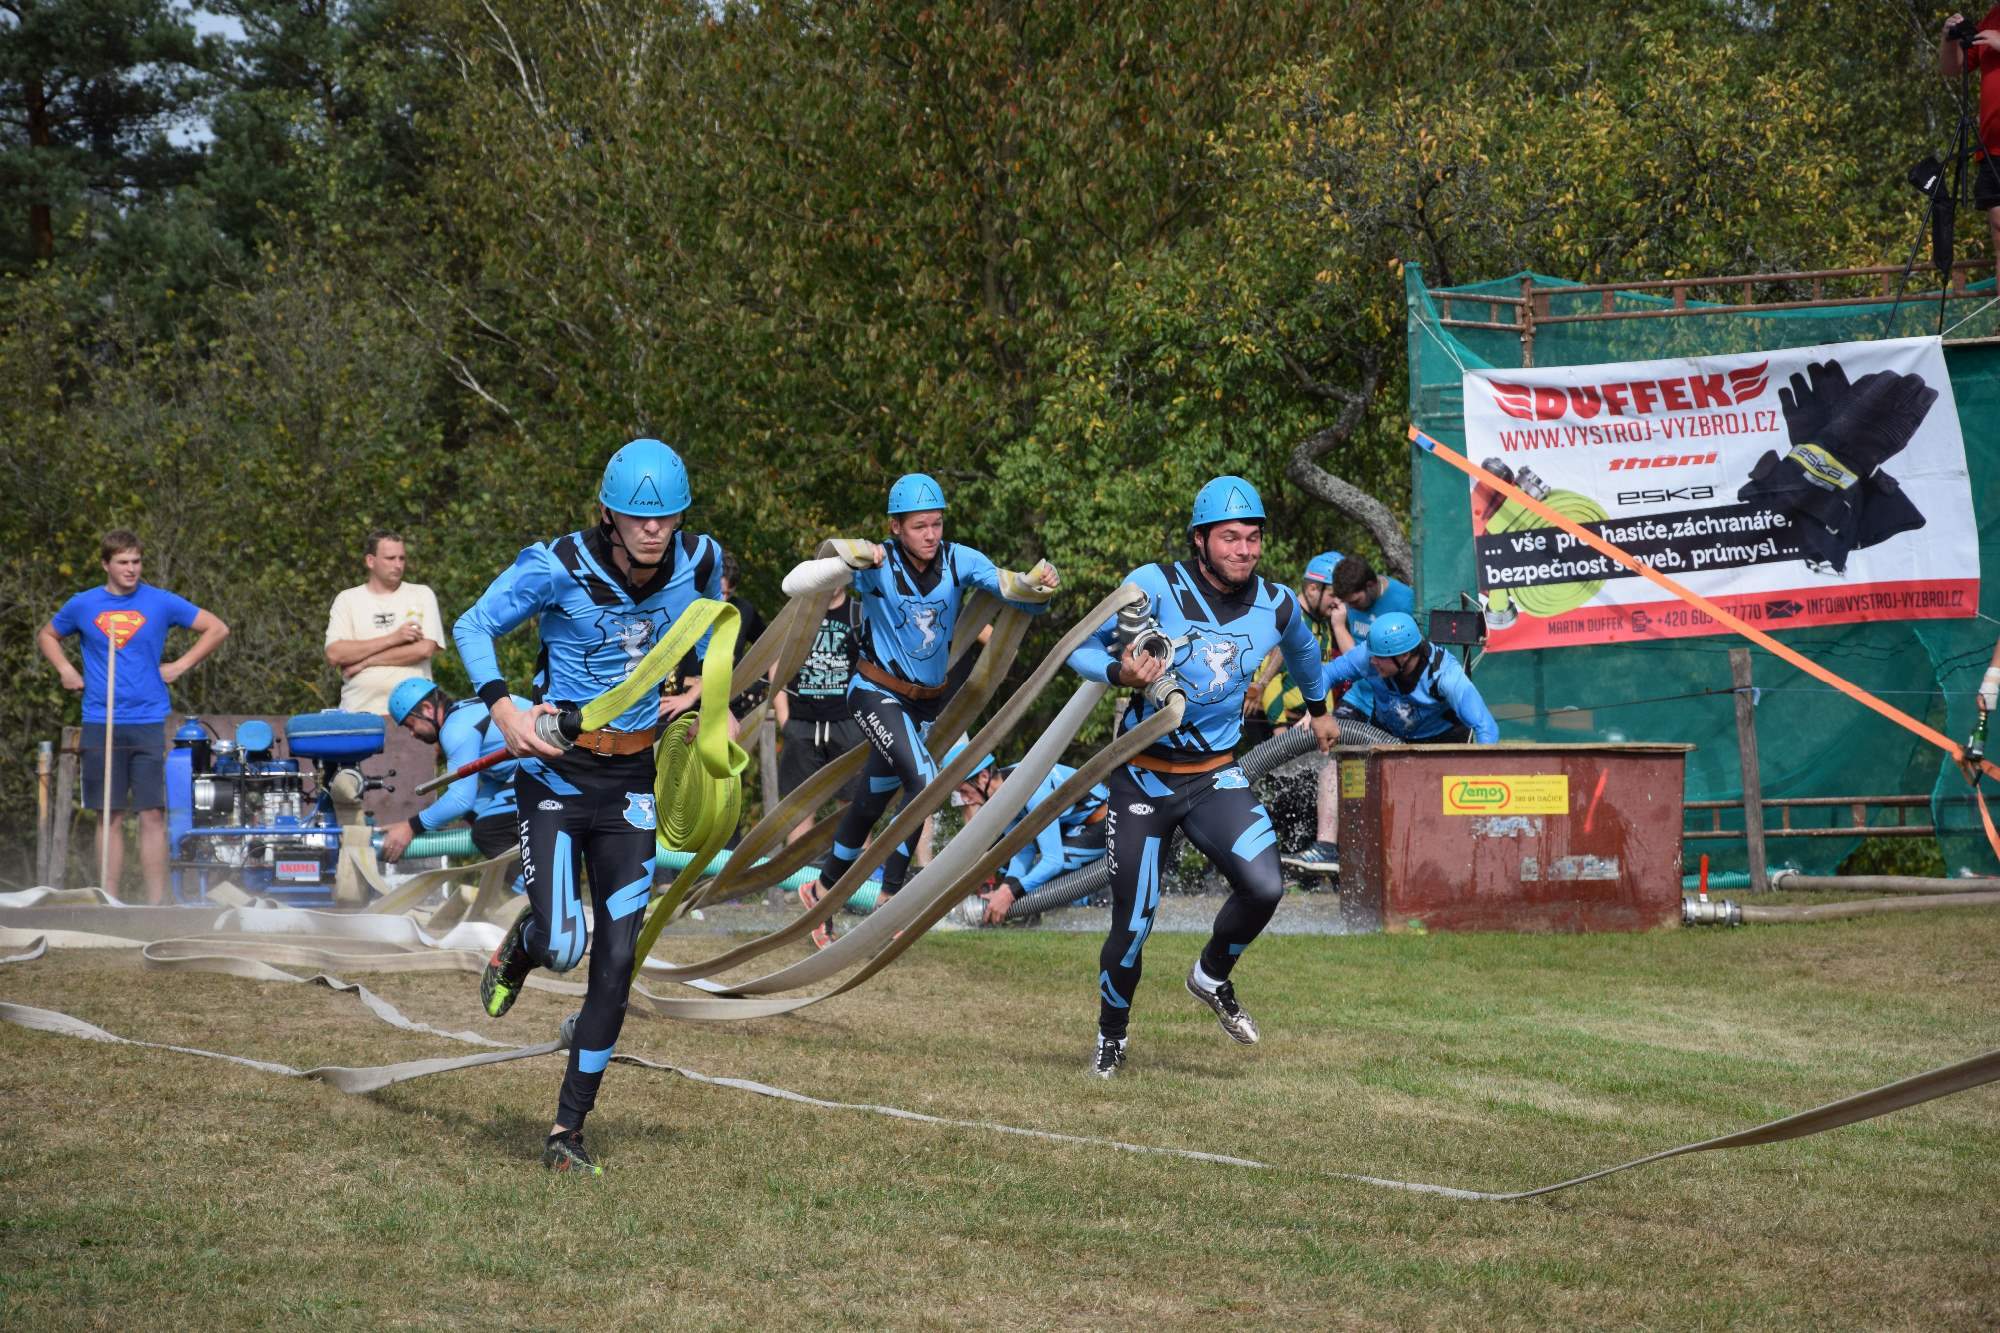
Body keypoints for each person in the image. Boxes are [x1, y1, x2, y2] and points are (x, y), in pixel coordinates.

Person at [454, 438, 725, 1178]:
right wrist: (503, 708)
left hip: (633, 779)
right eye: (639, 517)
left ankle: (566, 1131)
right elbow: (472, 626)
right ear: (608, 514)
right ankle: (525, 942)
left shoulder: (702, 559)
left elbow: (711, 629)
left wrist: (703, 690)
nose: (654, 529)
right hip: (556, 773)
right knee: (565, 943)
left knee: (617, 961)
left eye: (666, 516)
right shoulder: (556, 564)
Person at [1066, 477, 1342, 1078]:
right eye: (1230, 538)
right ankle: (1112, 1036)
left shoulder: (1278, 603)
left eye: (1253, 538)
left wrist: (1320, 710)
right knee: (1132, 924)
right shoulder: (1154, 584)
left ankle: (1211, 975)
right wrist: (1120, 672)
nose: (1244, 550)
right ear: (1200, 540)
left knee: (1265, 888)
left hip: (1215, 776)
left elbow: (1304, 652)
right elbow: (1077, 648)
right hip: (1143, 779)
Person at [780, 472, 1060, 930]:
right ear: (896, 527)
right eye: (919, 526)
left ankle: (822, 890)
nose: (931, 535)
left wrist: (1040, 582)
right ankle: (891, 897)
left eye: (936, 524)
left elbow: (1023, 598)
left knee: (870, 802)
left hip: (923, 707)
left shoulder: (959, 559)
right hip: (873, 693)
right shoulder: (876, 563)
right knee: (926, 784)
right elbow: (795, 584)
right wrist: (850, 556)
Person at [37, 530, 229, 904]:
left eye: (136, 561)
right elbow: (47, 635)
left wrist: (180, 665)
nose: (131, 569)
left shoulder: (160, 601)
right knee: (108, 814)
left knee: (152, 813)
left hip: (149, 720)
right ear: (105, 564)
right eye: (123, 562)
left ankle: (155, 904)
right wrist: (65, 669)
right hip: (101, 719)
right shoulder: (83, 604)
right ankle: (108, 902)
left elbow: (217, 628)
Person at [1285, 613, 1501, 878]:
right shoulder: (1370, 656)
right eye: (1372, 655)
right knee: (1334, 756)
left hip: (1440, 744)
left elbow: (1486, 727)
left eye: (1380, 658)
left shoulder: (1445, 676)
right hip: (1386, 734)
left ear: (1405, 656)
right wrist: (1316, 712)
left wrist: (1481, 784)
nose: (1372, 661)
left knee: (1428, 814)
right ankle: (1328, 848)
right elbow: (1326, 674)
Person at [946, 745, 1110, 925]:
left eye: (964, 791)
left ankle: (1103, 897)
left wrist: (1010, 894)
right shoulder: (1004, 793)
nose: (965, 800)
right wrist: (1006, 887)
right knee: (1004, 860)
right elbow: (1023, 850)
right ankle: (1029, 914)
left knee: (1045, 875)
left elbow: (1054, 861)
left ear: (984, 777)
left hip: (1104, 825)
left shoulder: (1031, 791)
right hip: (1075, 826)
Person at [377, 679, 527, 867]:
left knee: (489, 833)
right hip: (547, 760)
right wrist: (471, 818)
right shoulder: (465, 714)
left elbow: (460, 799)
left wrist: (410, 827)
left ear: (427, 709)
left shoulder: (454, 730)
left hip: (546, 765)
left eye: (410, 725)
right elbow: (496, 780)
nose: (412, 734)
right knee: (486, 826)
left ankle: (534, 886)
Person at [324, 531, 447, 715]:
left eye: (402, 558)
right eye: (390, 558)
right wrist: (394, 638)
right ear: (370, 561)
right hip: (359, 710)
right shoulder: (347, 599)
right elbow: (335, 654)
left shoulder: (421, 594)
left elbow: (424, 650)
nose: (398, 565)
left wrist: (365, 662)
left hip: (414, 713)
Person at [1246, 550, 1344, 727]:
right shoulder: (1288, 619)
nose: (1338, 602)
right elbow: (1270, 679)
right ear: (1312, 589)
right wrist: (1279, 729)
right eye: (1333, 594)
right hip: (1286, 726)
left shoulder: (1322, 621)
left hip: (1315, 722)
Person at [1942, 11, 2000, 292]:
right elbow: (1953, 69)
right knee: (1999, 231)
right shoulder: (1992, 17)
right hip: (1993, 148)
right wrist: (1949, 39)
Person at [1328, 554, 1416, 654]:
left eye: (1355, 601)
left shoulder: (1404, 602)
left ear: (1370, 585)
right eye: (1346, 603)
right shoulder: (1350, 600)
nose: (1350, 608)